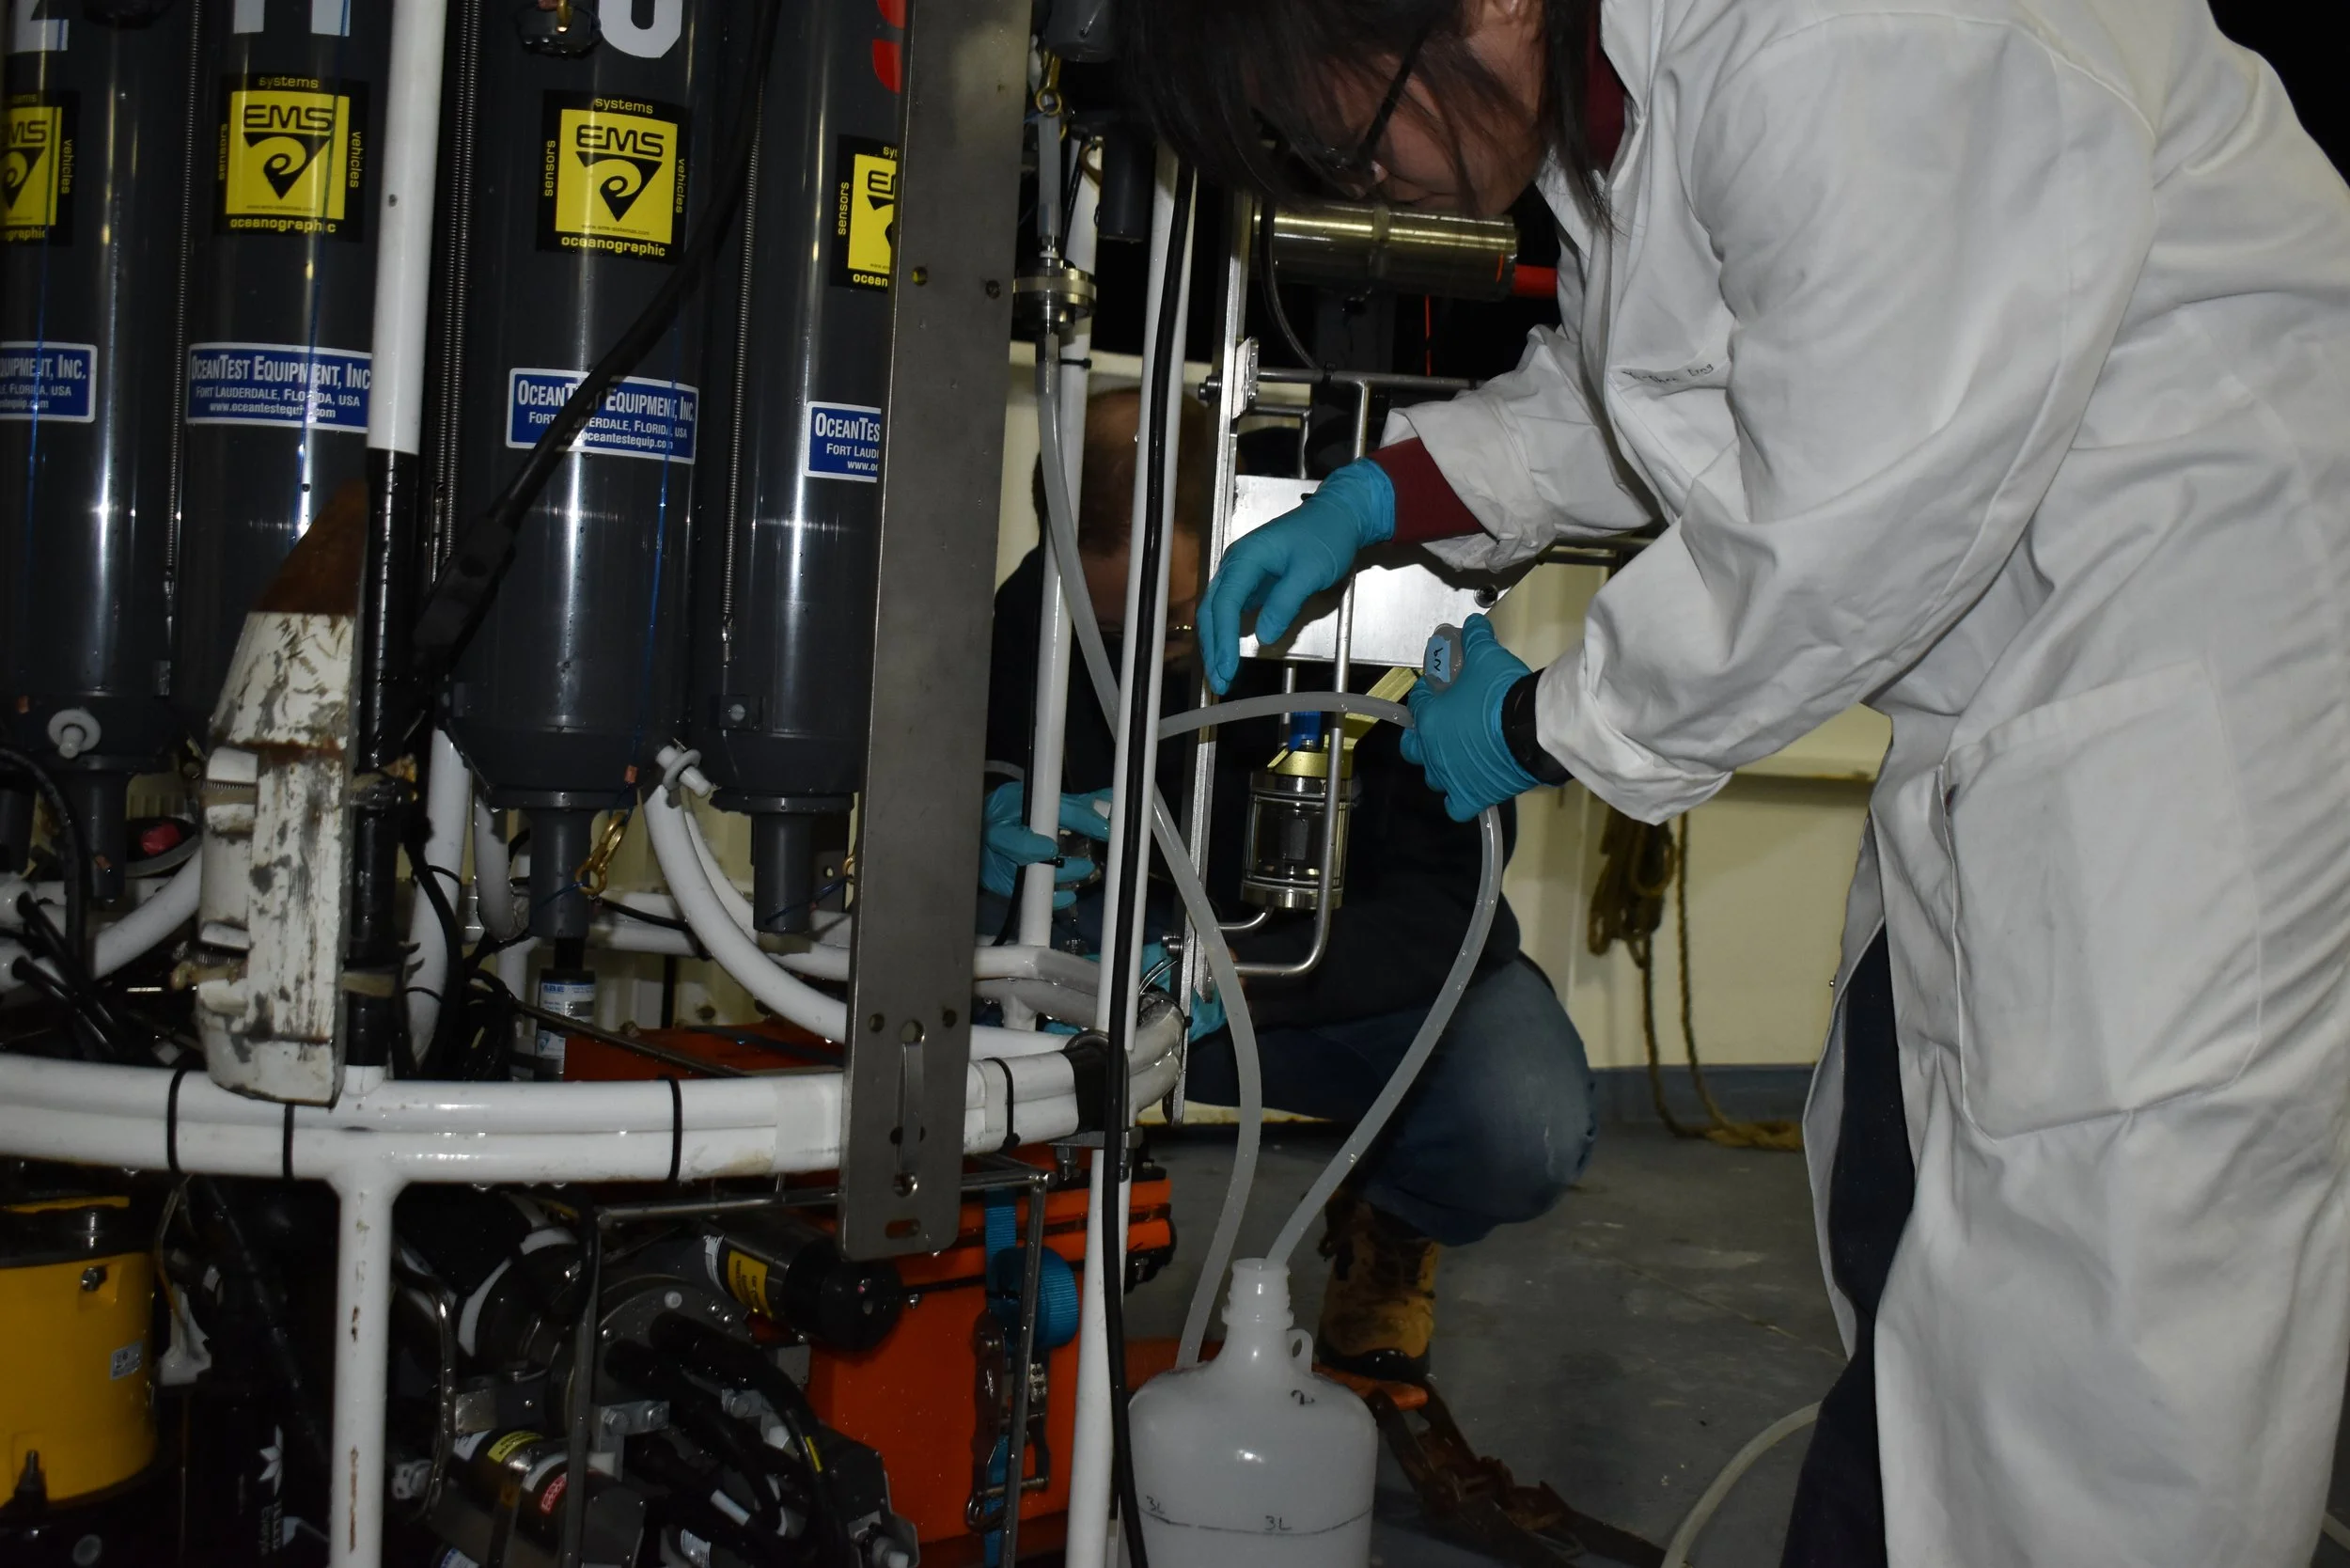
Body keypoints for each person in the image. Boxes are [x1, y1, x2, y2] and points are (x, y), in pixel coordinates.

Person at [1128, 0, 2350, 1562]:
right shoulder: (1629, 101)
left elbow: (1858, 497)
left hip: (2189, 697)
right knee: (1916, 1236)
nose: (1392, 196)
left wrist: (1555, 714)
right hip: (2016, 699)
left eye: (1351, 135)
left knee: (2110, 1334)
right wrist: (1387, 494)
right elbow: (1652, 397)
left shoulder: (1846, 34)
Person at [982, 386, 1598, 1382]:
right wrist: (988, 809)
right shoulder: (1034, 612)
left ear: (1240, 531)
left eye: (1172, 625)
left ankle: (1393, 1223)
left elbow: (1447, 911)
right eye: (1102, 626)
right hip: (1128, 969)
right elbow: (974, 778)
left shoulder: (1378, 618)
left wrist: (1235, 969)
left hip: (1330, 979)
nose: (1133, 655)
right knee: (925, 956)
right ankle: (1003, 1232)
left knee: (1521, 1122)